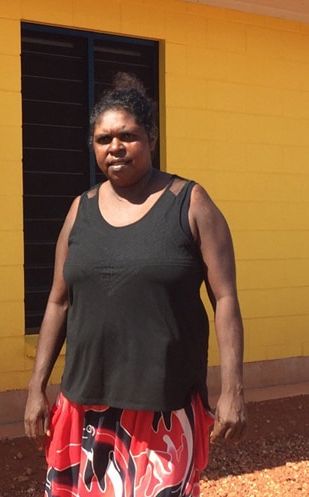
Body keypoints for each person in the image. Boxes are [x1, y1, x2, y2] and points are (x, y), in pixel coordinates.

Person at [23, 73, 247, 497]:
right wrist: (37, 388)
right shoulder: (80, 210)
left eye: (128, 136)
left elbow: (225, 298)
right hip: (83, 403)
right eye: (103, 138)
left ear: (151, 138)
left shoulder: (190, 203)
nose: (115, 148)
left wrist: (232, 389)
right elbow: (58, 302)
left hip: (163, 408)